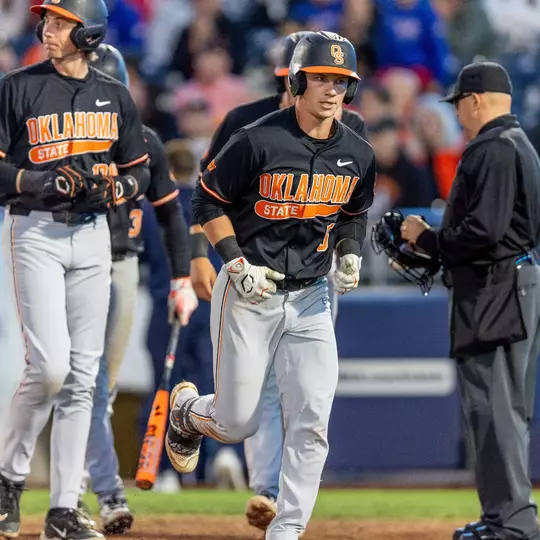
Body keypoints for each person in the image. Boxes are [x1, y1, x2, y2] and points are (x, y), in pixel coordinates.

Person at [167, 31, 376, 540]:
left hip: (311, 296)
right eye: (323, 78)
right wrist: (234, 262)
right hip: (248, 292)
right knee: (239, 422)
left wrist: (349, 252)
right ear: (298, 80)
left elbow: (353, 212)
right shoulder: (257, 137)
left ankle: (288, 529)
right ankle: (189, 412)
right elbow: (207, 201)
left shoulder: (357, 150)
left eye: (342, 81)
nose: (332, 90)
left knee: (312, 418)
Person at [0, 0, 151, 539]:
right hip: (34, 230)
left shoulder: (114, 95)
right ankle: (8, 477)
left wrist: (118, 188)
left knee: (83, 379)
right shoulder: (17, 87)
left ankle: (64, 508)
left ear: (88, 31)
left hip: (92, 236)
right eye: (47, 19)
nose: (48, 28)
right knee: (50, 369)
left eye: (61, 21)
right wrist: (35, 182)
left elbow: (140, 171)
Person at [401, 62, 540, 540]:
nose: (458, 114)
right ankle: (504, 515)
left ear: (475, 100)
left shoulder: (494, 148)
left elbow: (485, 231)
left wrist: (429, 240)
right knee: (501, 409)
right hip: (511, 282)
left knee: (495, 409)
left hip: (495, 288)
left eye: (459, 103)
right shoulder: (517, 144)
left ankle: (514, 523)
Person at [79, 44, 198, 535]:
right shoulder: (67, 142)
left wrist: (181, 277)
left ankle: (86, 487)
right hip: (69, 264)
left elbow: (171, 214)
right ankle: (92, 489)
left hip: (122, 265)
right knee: (67, 383)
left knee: (98, 388)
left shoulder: (144, 140)